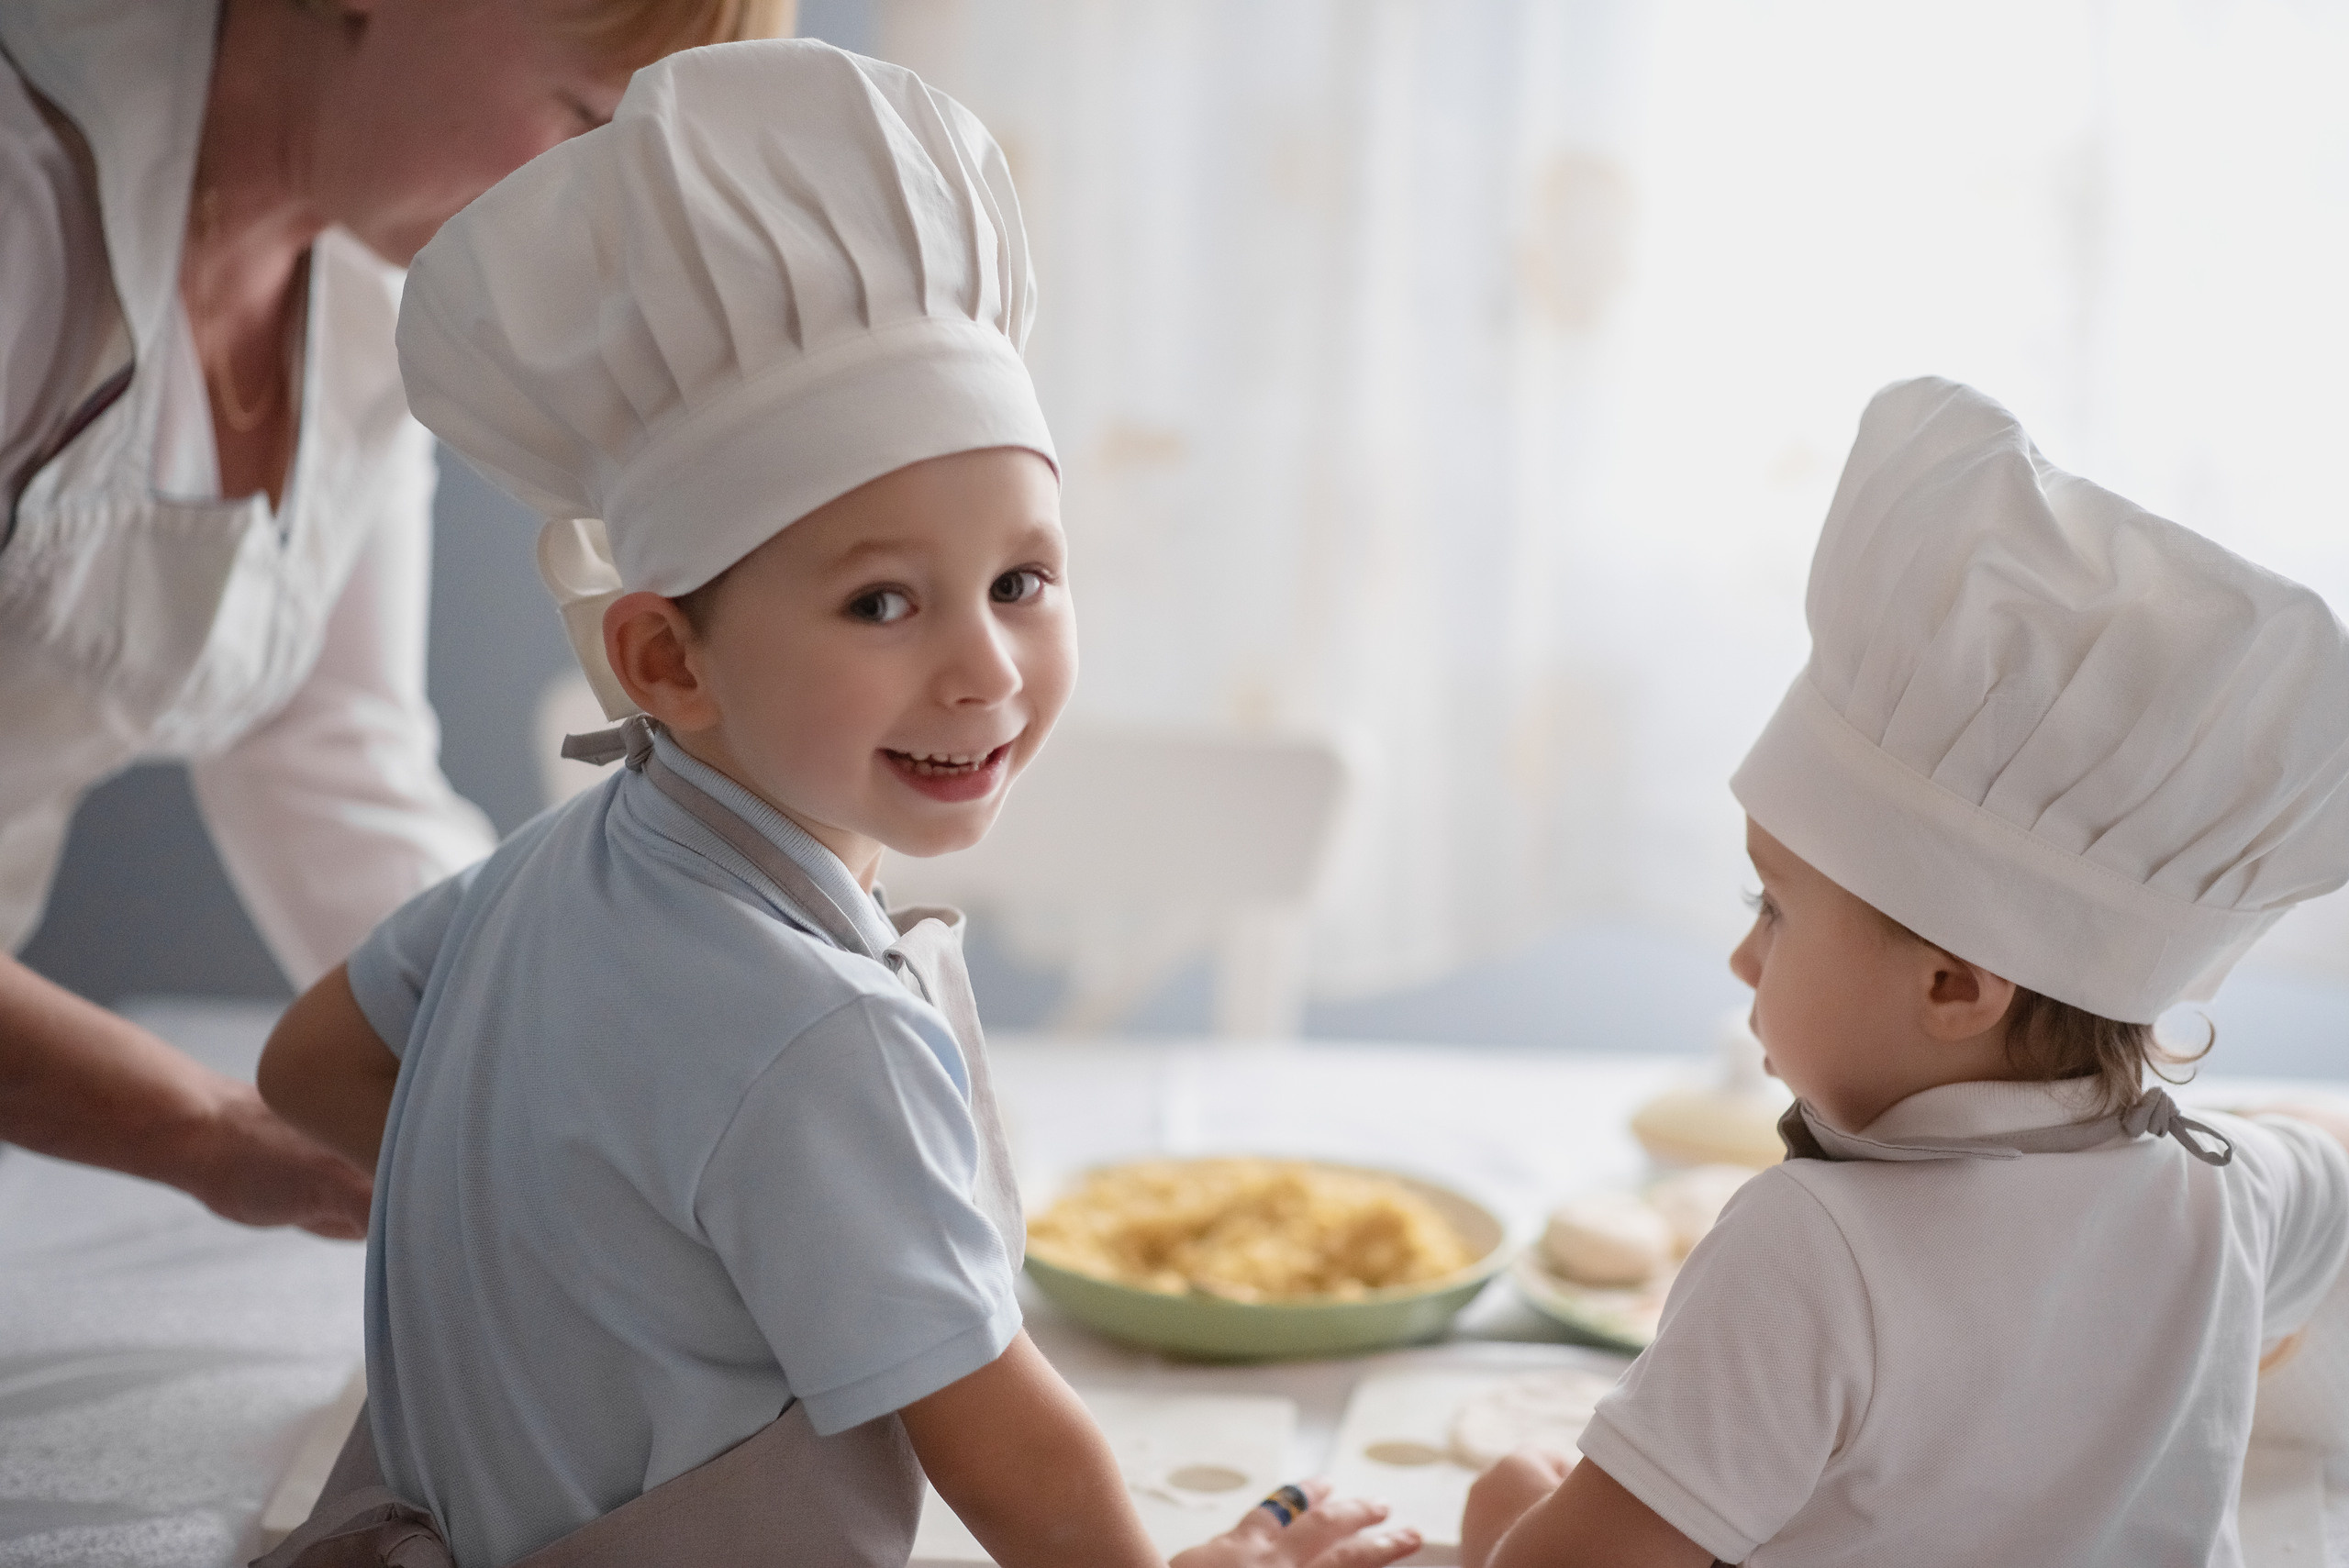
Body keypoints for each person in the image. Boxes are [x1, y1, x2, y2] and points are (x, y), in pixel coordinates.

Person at [254, 40, 1422, 1568]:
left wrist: (591, 1248)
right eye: (882, 602)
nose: (984, 667)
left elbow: (310, 1062)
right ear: (665, 656)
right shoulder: (819, 1030)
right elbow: (1000, 1436)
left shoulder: (541, 872)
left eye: (1022, 579)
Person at [1461, 378, 2349, 1568]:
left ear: (1953, 985)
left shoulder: (1807, 1247)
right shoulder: (2228, 1188)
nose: (1742, 954)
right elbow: (2325, 1175)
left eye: (1772, 908)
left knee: (1508, 1494)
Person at [0, 0, 784, 1237]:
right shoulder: (25, 211)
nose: (579, 224)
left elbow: (329, 761)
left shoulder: (371, 310)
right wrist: (214, 1137)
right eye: (580, 118)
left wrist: (578, 1066)